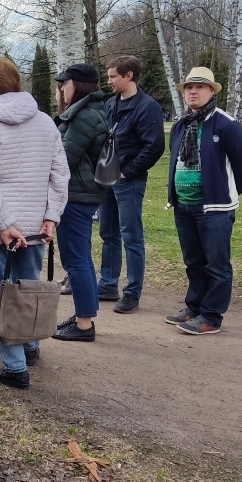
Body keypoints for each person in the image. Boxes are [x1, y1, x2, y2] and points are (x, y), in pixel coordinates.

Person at [0, 56, 69, 388]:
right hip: (34, 226)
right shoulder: (45, 122)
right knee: (28, 288)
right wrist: (51, 217)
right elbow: (60, 176)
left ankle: (15, 367)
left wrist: (2, 223)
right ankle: (29, 345)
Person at [165, 67, 242, 335]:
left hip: (214, 208)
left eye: (199, 87)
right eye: (188, 87)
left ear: (211, 90)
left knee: (216, 263)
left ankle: (211, 316)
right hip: (183, 206)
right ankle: (194, 307)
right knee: (193, 262)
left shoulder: (226, 125)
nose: (193, 91)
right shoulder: (181, 125)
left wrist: (223, 193)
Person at [97, 55, 165, 313]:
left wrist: (128, 171)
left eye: (113, 76)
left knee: (131, 236)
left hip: (128, 182)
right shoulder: (110, 104)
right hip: (107, 180)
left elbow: (154, 146)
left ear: (129, 76)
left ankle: (133, 292)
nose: (109, 80)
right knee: (108, 234)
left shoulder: (147, 107)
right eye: (108, 75)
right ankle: (108, 283)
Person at [52, 64, 108, 342]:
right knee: (80, 258)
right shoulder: (90, 112)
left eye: (66, 83)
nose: (62, 89)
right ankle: (83, 316)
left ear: (80, 85)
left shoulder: (84, 116)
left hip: (76, 195)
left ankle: (85, 324)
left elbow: (64, 159)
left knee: (76, 260)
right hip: (81, 194)